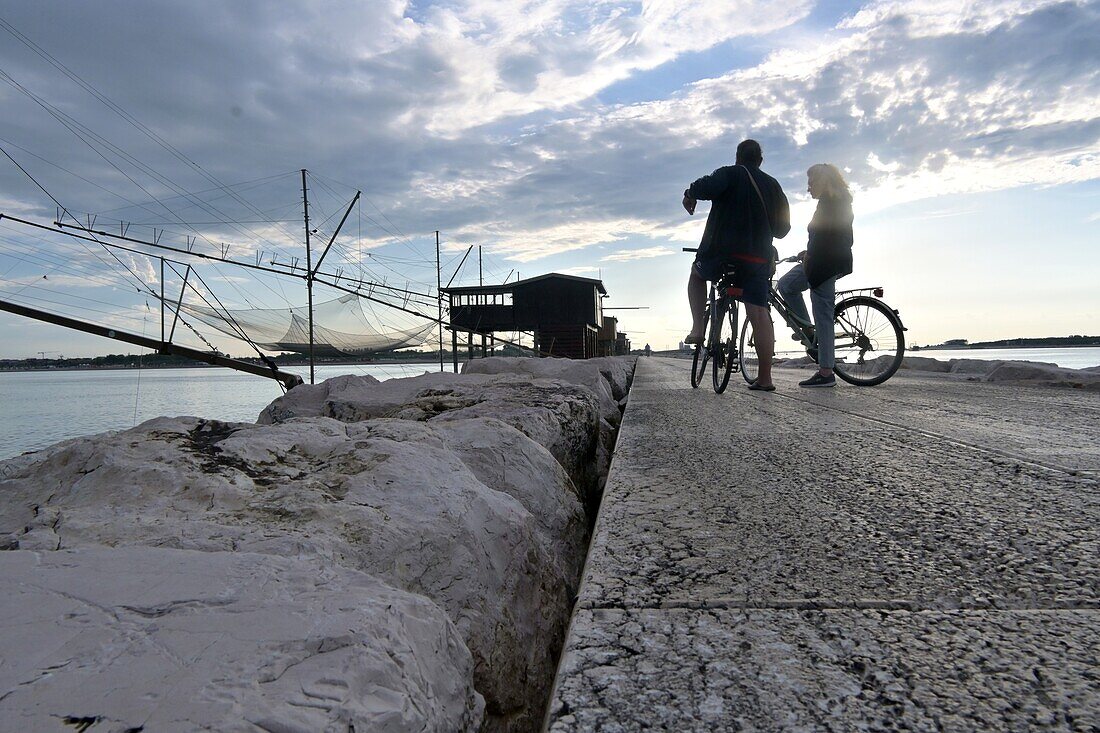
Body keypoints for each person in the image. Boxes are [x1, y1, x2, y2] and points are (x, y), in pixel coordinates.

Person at [683, 139, 790, 391]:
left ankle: (698, 328)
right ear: (760, 161)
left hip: (721, 253)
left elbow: (704, 187)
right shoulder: (774, 185)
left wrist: (689, 194)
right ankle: (765, 379)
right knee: (759, 313)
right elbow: (783, 230)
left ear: (737, 157)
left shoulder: (729, 173)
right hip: (759, 258)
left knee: (696, 275)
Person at [777, 163, 854, 388]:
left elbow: (836, 239)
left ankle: (826, 372)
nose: (808, 187)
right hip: (816, 261)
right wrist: (808, 252)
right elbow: (824, 237)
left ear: (825, 181)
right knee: (786, 284)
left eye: (812, 182)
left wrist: (813, 253)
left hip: (825, 265)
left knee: (823, 315)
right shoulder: (829, 203)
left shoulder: (835, 204)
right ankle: (808, 331)